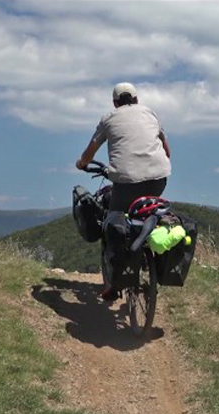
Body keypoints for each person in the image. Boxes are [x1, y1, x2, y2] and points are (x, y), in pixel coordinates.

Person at [76, 82, 171, 301]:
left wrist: (82, 163)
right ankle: (150, 260)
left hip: (125, 182)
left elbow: (90, 152)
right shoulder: (151, 113)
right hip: (158, 178)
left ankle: (115, 284)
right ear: (137, 99)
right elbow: (167, 150)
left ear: (115, 103)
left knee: (113, 221)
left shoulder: (109, 118)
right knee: (149, 211)